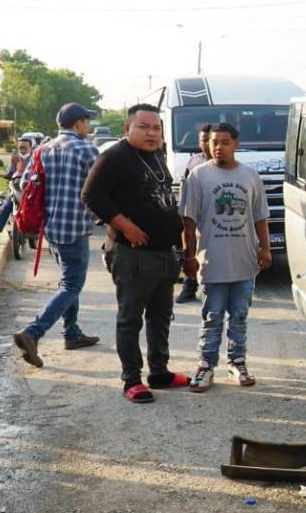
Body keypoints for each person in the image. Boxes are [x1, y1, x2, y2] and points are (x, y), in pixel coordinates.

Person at [82, 104, 189, 403]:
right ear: (128, 128)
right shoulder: (115, 157)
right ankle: (131, 379)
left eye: (156, 128)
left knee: (161, 316)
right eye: (143, 127)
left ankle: (159, 372)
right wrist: (125, 226)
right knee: (131, 319)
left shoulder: (155, 155)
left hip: (163, 253)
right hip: (133, 253)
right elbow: (91, 195)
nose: (151, 133)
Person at [182, 122, 272, 392]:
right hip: (212, 262)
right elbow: (188, 221)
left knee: (240, 316)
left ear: (236, 144)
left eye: (224, 142)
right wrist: (188, 256)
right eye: (214, 142)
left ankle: (237, 363)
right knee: (212, 317)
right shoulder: (197, 176)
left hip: (244, 262)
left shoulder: (250, 176)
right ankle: (206, 366)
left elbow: (260, 217)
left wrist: (265, 249)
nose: (218, 147)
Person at [11, 104, 102, 367]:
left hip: (50, 228)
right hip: (75, 228)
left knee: (67, 282)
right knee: (72, 285)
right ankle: (33, 332)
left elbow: (25, 183)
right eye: (86, 121)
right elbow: (102, 186)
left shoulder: (43, 149)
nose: (88, 126)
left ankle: (72, 333)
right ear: (78, 123)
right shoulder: (87, 150)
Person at [175, 124, 213, 304]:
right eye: (203, 140)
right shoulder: (194, 161)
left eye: (209, 140)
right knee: (190, 250)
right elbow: (185, 187)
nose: (206, 144)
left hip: (215, 218)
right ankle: (190, 286)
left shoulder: (226, 163)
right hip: (194, 215)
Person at [0, 136, 34, 244]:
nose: (22, 149)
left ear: (30, 147)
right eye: (20, 147)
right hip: (17, 189)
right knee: (7, 205)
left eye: (24, 146)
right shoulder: (15, 157)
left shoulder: (35, 157)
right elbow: (10, 172)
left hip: (31, 190)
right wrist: (8, 172)